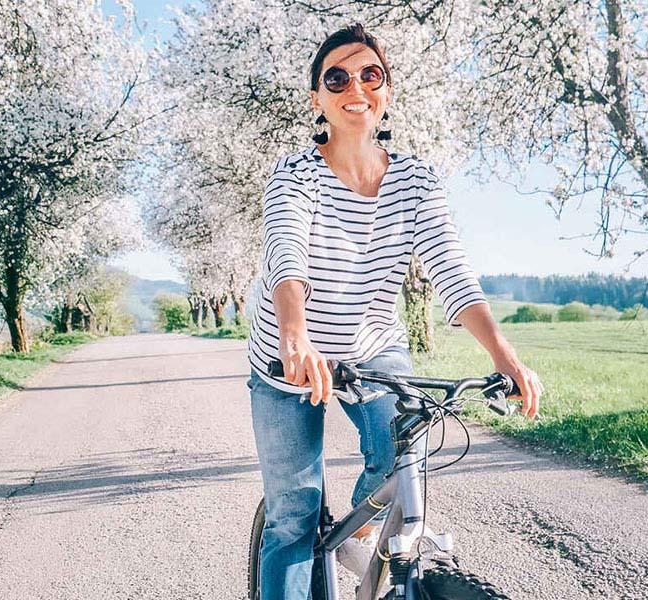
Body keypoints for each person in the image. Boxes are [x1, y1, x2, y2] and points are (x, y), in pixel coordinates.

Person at [246, 23, 543, 600]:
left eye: (369, 74)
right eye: (337, 77)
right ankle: (306, 550)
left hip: (373, 349)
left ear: (386, 91)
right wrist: (294, 337)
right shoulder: (294, 173)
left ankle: (361, 555)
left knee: (403, 465)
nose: (355, 85)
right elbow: (288, 255)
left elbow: (452, 272)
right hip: (287, 359)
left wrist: (507, 358)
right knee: (293, 516)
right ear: (317, 98)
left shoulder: (416, 178)